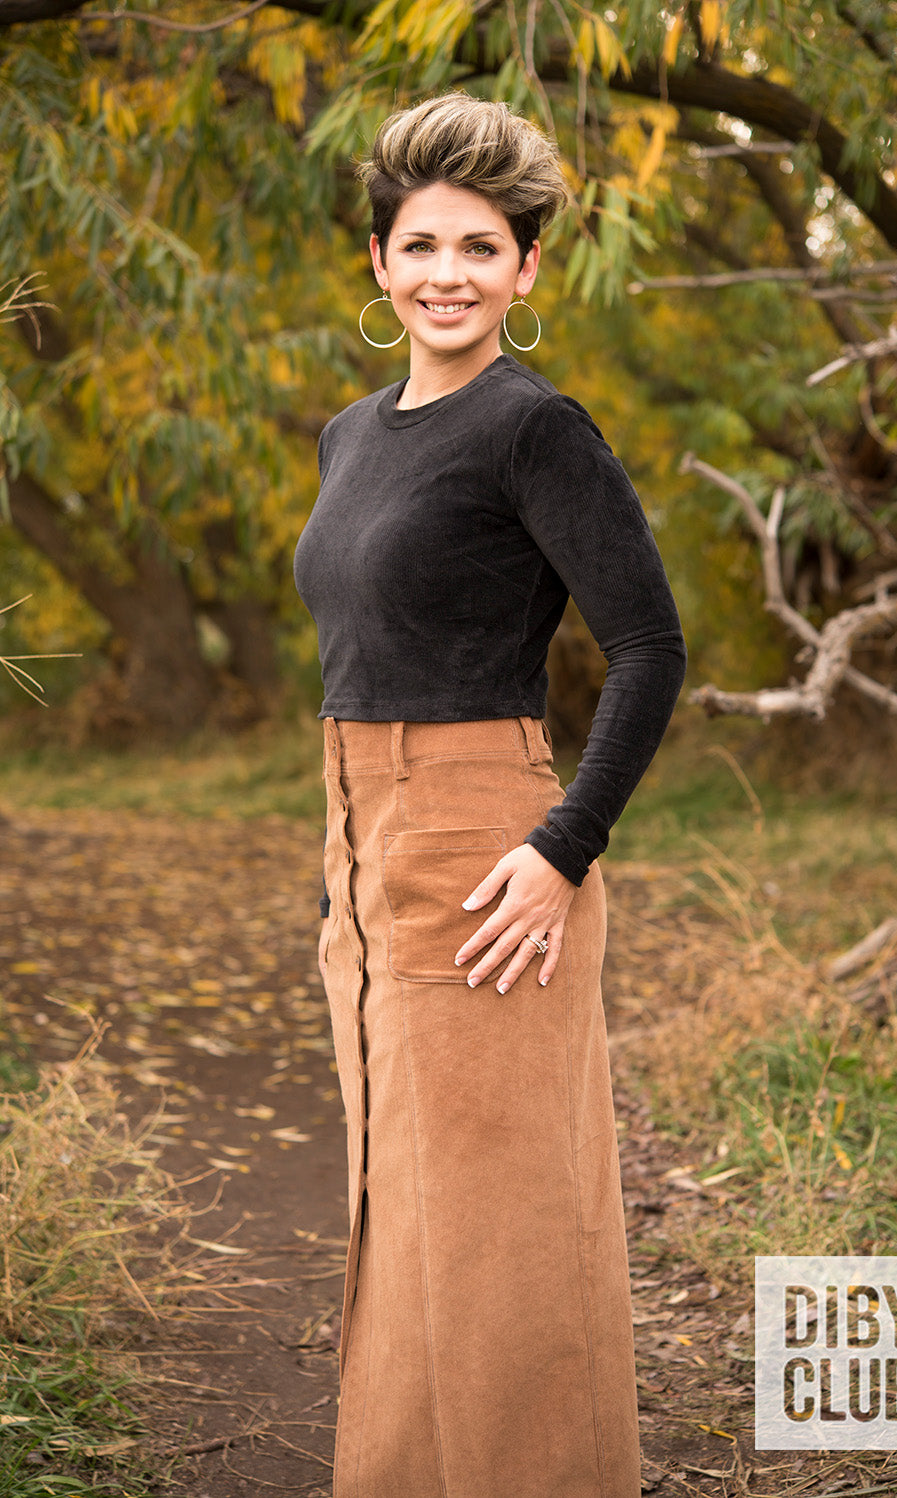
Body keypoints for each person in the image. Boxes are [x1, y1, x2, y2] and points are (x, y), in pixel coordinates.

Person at [293, 92, 686, 1498]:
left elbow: (647, 647)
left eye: (481, 246)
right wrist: (341, 859)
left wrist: (561, 848)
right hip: (364, 843)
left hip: (487, 853)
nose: (448, 271)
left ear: (527, 271)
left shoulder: (537, 428)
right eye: (421, 244)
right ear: (379, 267)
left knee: (506, 1232)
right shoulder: (352, 434)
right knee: (397, 1213)